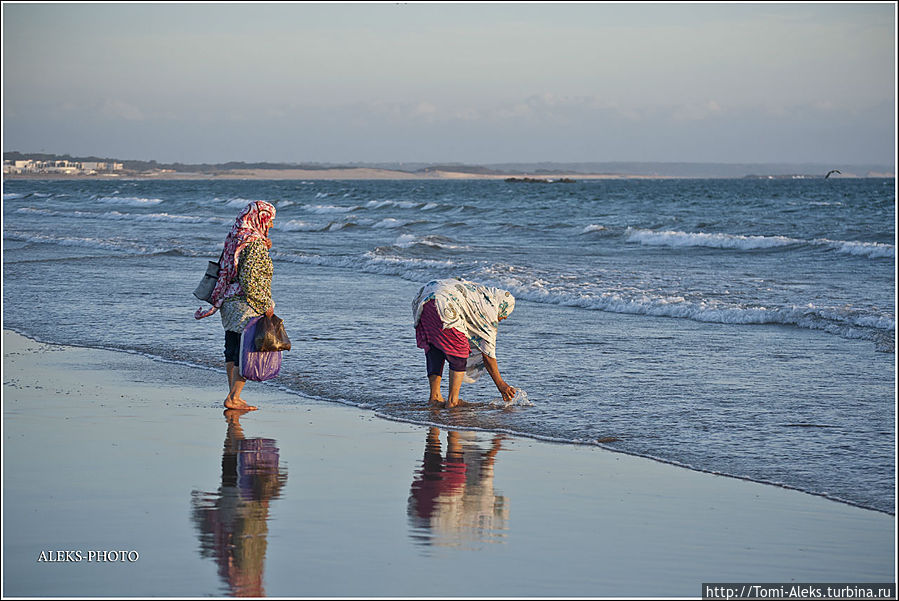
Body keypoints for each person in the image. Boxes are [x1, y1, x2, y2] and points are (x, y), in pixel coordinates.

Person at [195, 201, 277, 411]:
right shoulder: (255, 243)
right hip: (245, 304)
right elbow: (250, 279)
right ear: (260, 218)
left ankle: (234, 395)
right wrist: (266, 303)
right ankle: (234, 397)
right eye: (270, 220)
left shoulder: (236, 237)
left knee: (231, 348)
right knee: (246, 351)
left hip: (228, 302)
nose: (272, 225)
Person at [412, 278, 516, 408]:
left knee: (436, 347)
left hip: (426, 298)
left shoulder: (480, 293)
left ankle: (435, 397)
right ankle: (452, 400)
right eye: (505, 314)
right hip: (444, 302)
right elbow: (488, 354)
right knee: (459, 351)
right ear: (501, 306)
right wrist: (501, 384)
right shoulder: (489, 309)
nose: (503, 317)